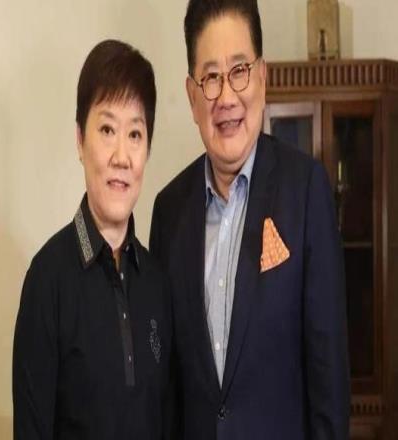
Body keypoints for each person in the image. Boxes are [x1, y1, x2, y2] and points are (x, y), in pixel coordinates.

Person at [149, 0, 350, 438]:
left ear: (262, 76)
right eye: (211, 78)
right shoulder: (168, 212)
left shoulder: (306, 191)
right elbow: (167, 388)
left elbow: (329, 383)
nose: (226, 97)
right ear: (192, 96)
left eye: (239, 70)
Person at [13, 39, 172, 440]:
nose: (122, 156)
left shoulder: (158, 283)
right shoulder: (47, 280)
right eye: (107, 130)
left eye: (135, 134)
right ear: (80, 140)